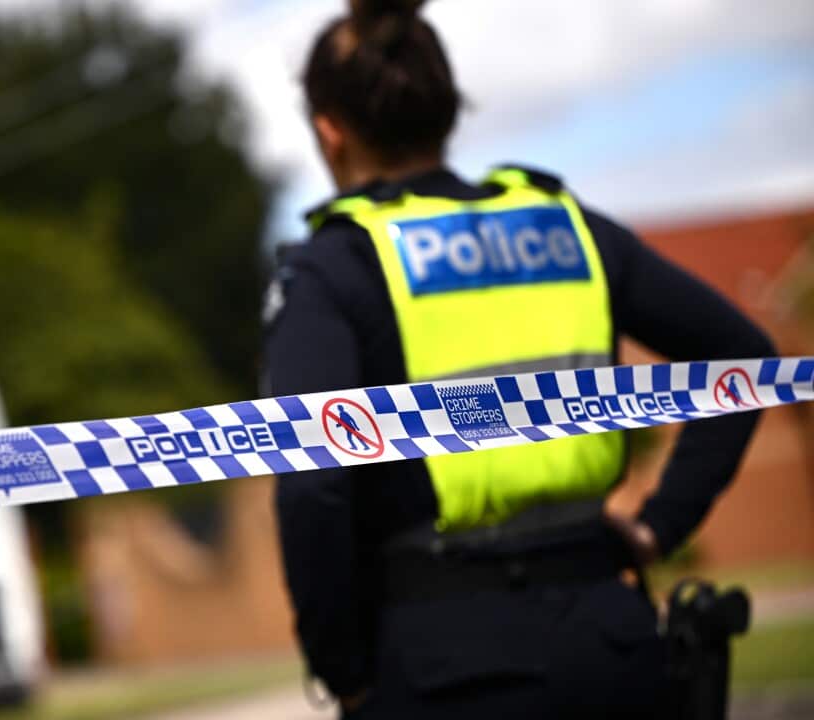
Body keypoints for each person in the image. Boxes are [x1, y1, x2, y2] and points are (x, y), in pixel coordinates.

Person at [263, 1, 776, 717]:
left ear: (330, 132)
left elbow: (311, 483)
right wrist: (661, 523)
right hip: (613, 646)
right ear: (444, 111)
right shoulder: (565, 228)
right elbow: (744, 359)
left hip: (443, 663)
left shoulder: (338, 266)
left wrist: (342, 669)